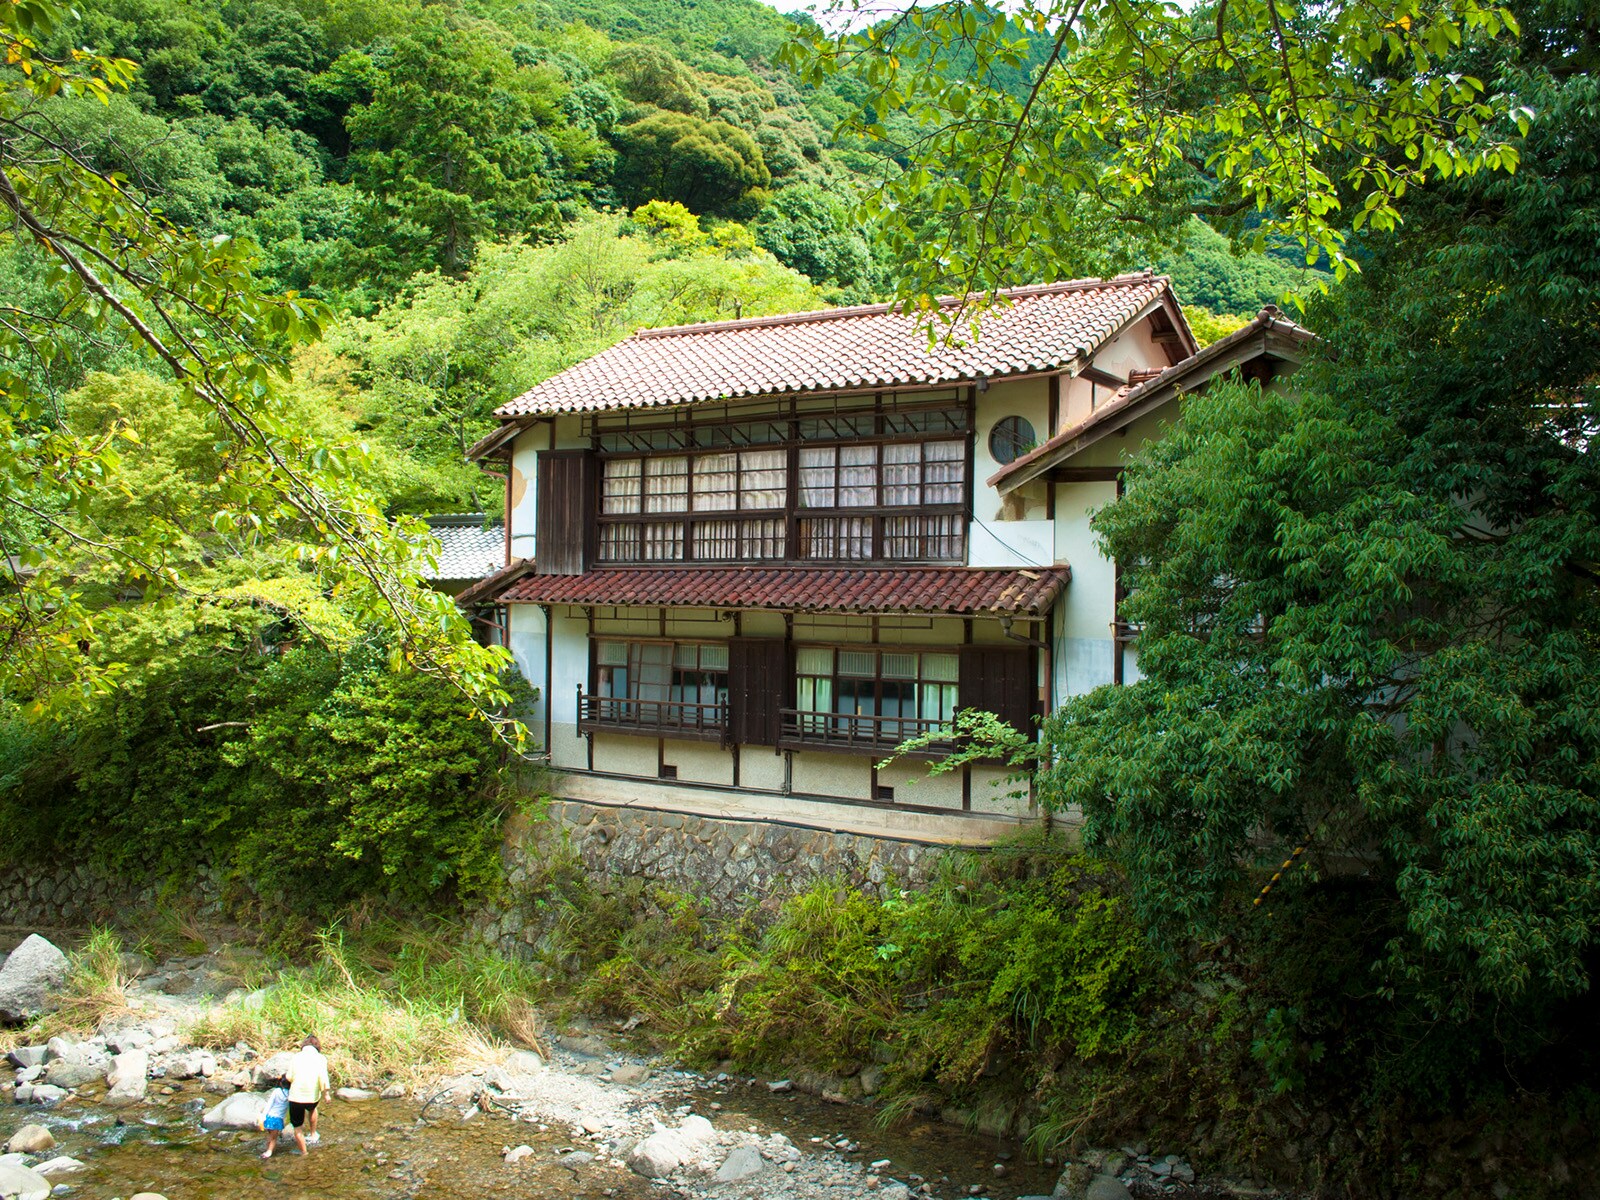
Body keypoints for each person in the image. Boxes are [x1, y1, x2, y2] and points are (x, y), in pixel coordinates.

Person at [285, 1034, 330, 1153]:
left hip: (296, 1097)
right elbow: (324, 1077)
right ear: (317, 1046)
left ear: (303, 1045)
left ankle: (304, 1153)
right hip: (312, 1096)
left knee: (297, 1127)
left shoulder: (296, 1057)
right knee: (312, 1109)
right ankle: (313, 1134)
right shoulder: (321, 1058)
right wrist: (326, 1093)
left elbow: (289, 1077)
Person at [260, 1077, 289, 1158]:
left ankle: (268, 1148)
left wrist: (263, 1116)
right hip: (277, 1119)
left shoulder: (276, 1091)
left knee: (270, 1135)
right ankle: (269, 1152)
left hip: (269, 1117)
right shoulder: (291, 1094)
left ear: (281, 1083)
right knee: (274, 1138)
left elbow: (269, 1103)